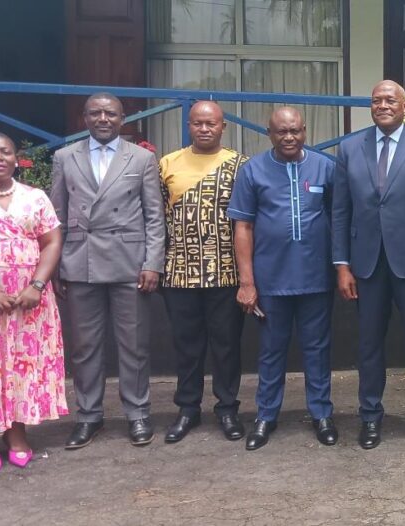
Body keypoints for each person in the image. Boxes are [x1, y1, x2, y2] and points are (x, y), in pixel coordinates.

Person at [332, 80, 405, 450]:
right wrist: (342, 265)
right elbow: (340, 211)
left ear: (403, 106)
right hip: (366, 265)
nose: (382, 105)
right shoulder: (350, 147)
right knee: (368, 346)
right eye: (376, 100)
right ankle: (370, 417)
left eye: (390, 100)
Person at [50, 92, 165, 449]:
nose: (103, 119)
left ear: (122, 119)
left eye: (110, 114)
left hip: (129, 263)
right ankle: (88, 416)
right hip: (80, 262)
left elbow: (154, 216)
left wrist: (152, 263)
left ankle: (138, 413)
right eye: (95, 113)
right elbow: (56, 217)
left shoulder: (142, 158)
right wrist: (55, 268)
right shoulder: (64, 157)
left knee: (133, 345)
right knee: (85, 347)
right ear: (84, 117)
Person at [227, 106, 337, 451]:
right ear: (269, 133)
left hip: (317, 276)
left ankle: (321, 414)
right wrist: (247, 282)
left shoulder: (325, 167)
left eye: (296, 131)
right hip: (271, 278)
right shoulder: (253, 170)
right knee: (271, 351)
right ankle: (266, 415)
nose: (289, 137)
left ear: (305, 131)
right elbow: (242, 226)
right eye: (281, 132)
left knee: (317, 349)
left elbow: (340, 218)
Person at [158, 101, 248, 444]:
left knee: (226, 346)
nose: (204, 129)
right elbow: (157, 220)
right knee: (187, 346)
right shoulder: (167, 164)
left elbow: (247, 223)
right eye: (198, 123)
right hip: (180, 272)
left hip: (226, 273)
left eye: (211, 123)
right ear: (189, 125)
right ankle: (187, 409)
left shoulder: (240, 165)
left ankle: (227, 408)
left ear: (223, 126)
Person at [0, 132, 67, 475]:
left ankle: (17, 432)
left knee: (21, 364)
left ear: (17, 159)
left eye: (5, 151)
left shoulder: (35, 197)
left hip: (29, 302)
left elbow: (51, 241)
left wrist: (36, 285)